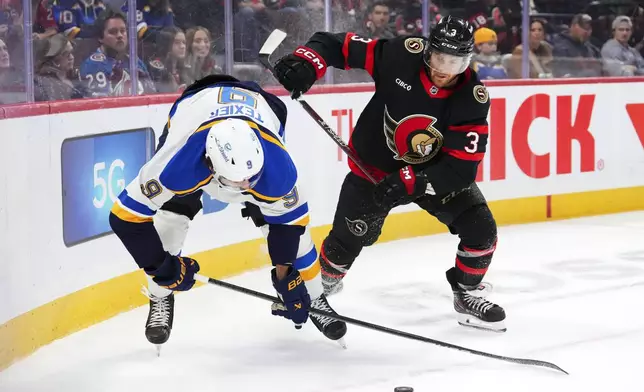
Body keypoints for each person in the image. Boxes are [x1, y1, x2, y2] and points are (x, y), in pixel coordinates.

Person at [272, 15, 506, 332]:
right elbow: (334, 44)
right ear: (427, 51)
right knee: (348, 241)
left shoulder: (472, 98)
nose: (444, 70)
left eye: (456, 62)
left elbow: (462, 167)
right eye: (440, 58)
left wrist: (416, 180)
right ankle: (314, 292)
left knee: (481, 229)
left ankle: (466, 292)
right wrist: (307, 63)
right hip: (373, 170)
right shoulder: (401, 55)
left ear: (468, 60)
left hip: (430, 174)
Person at [108, 74, 347, 348]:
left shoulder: (277, 167)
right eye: (237, 183)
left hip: (259, 111)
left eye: (251, 180)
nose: (244, 187)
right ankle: (159, 295)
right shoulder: (176, 164)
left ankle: (316, 297)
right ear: (209, 166)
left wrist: (286, 278)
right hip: (195, 112)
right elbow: (125, 218)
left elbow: (290, 226)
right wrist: (164, 270)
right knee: (169, 224)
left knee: (297, 235)